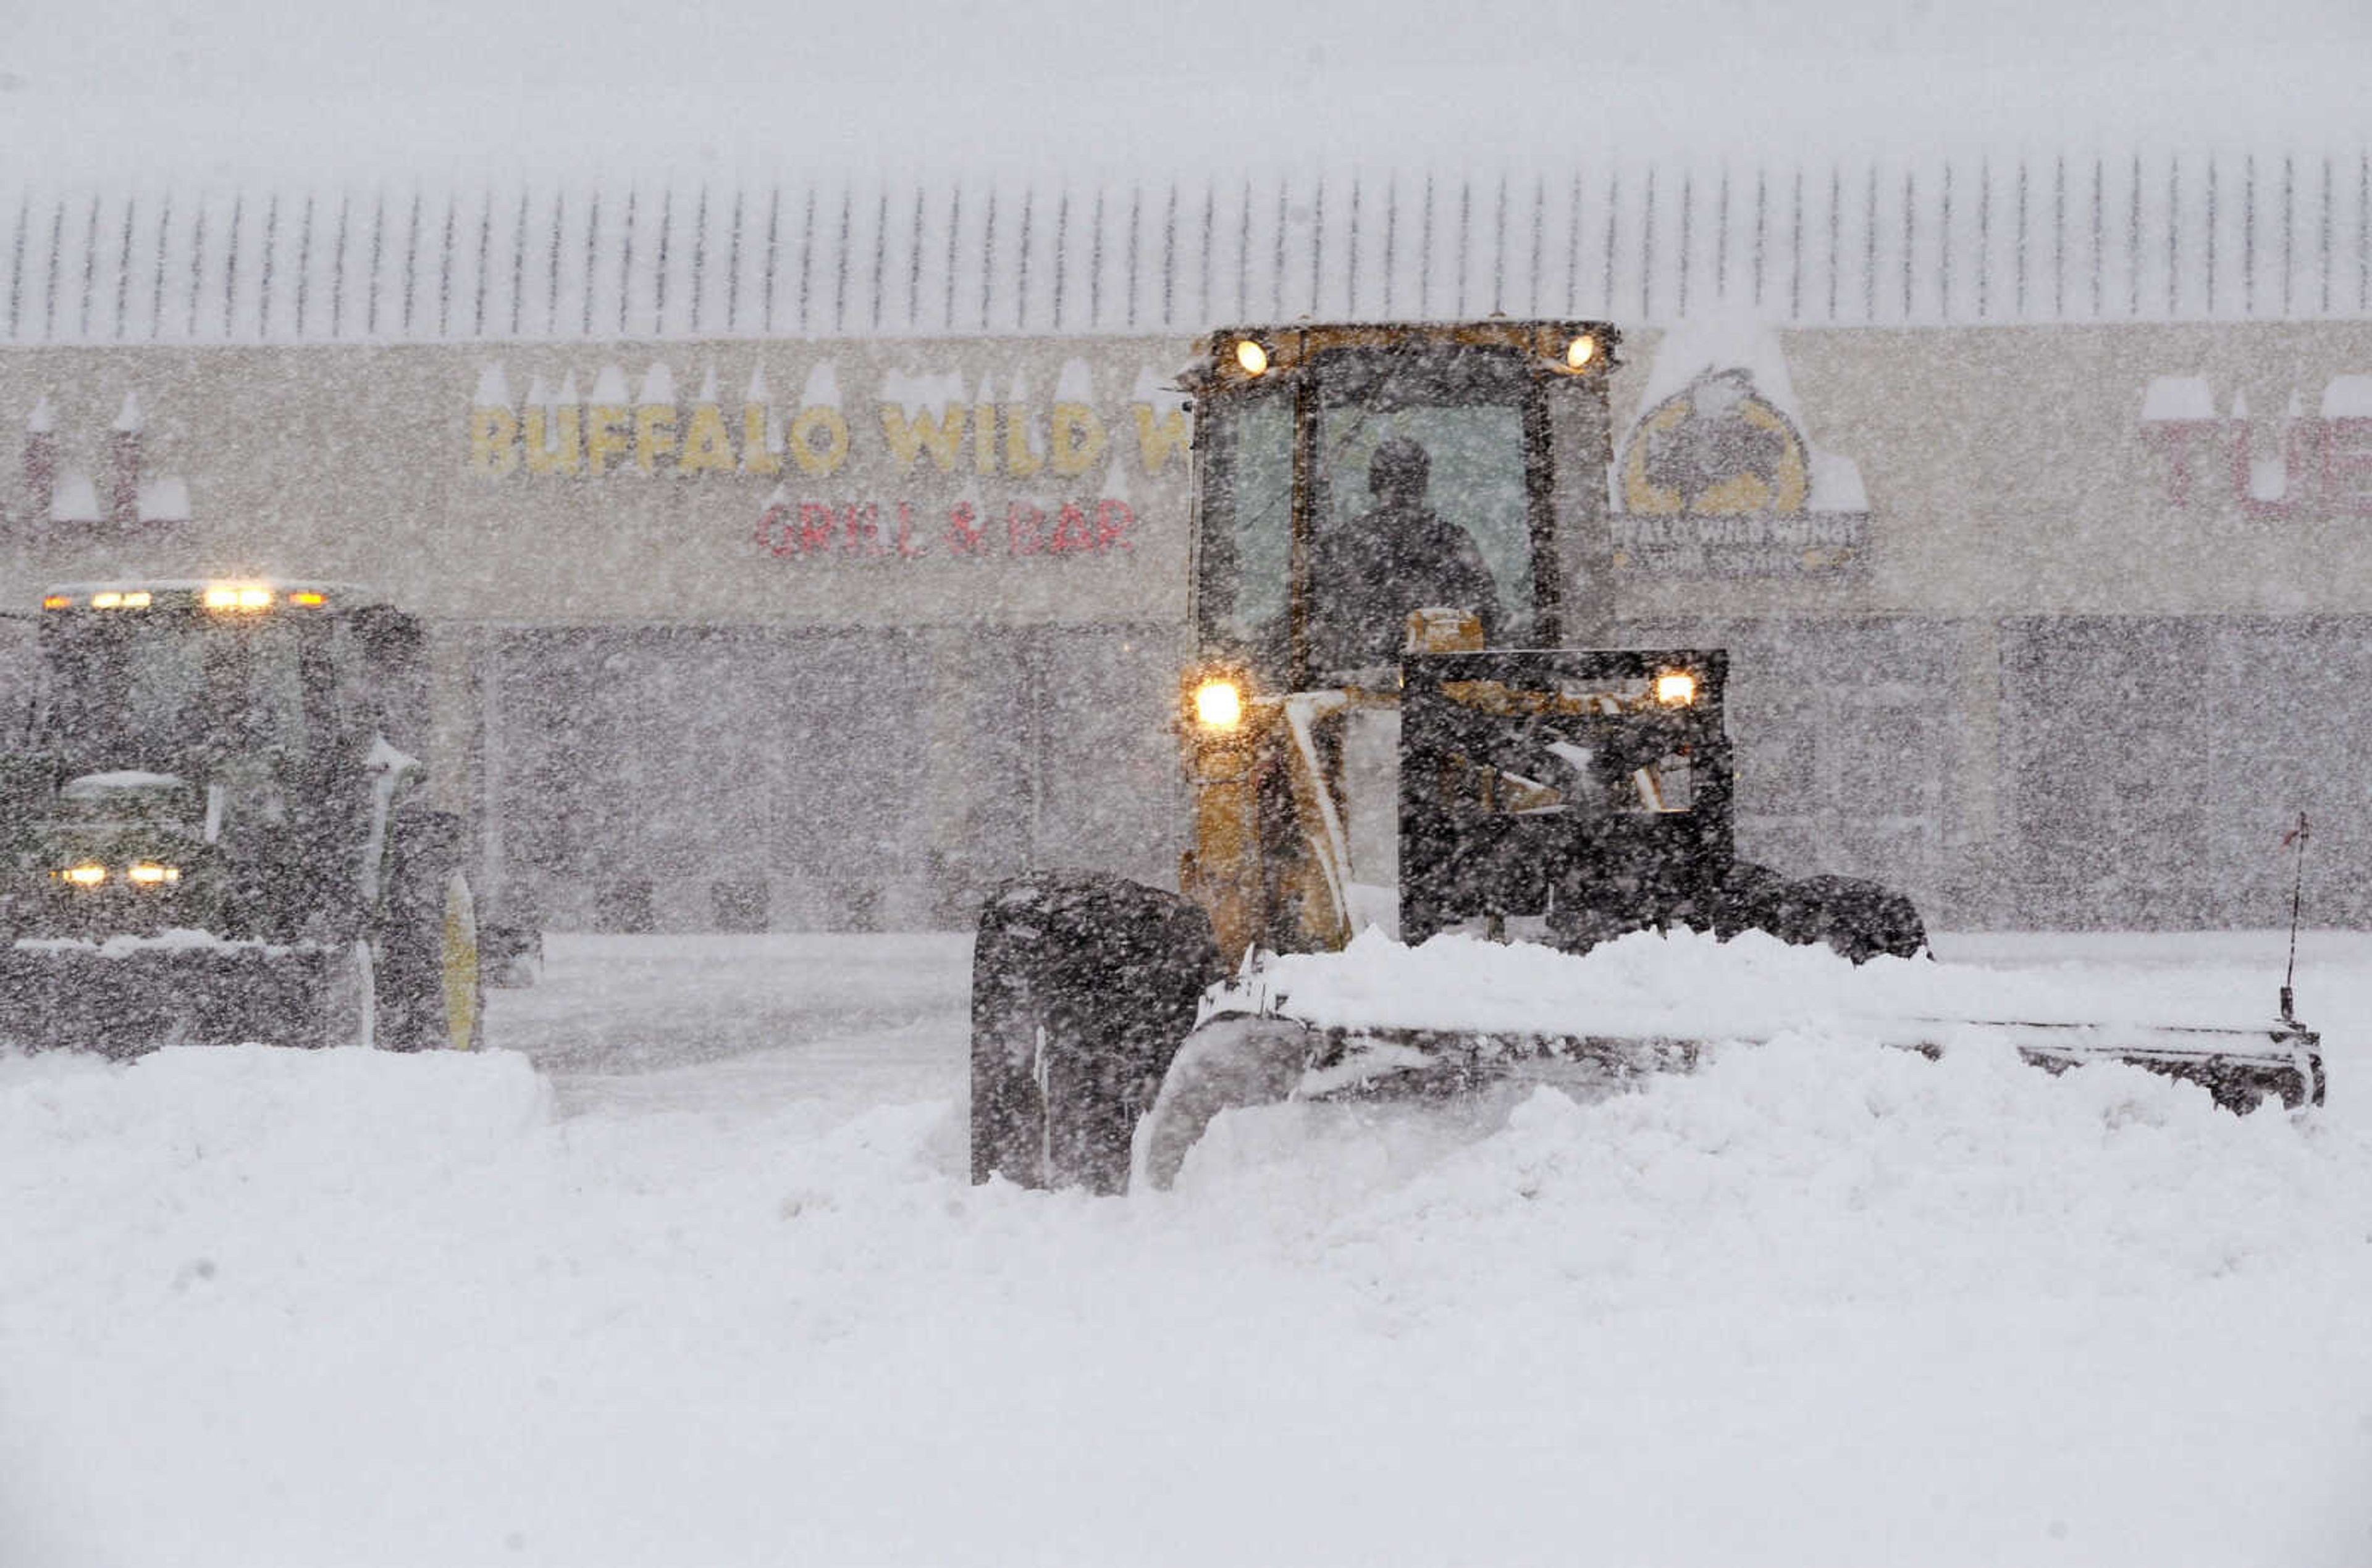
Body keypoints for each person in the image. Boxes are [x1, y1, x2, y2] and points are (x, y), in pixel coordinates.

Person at [1307, 435, 1500, 671]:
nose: (1400, 491)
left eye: (1408, 482)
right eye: (1394, 481)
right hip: (1433, 681)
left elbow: (1315, 620)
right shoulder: (1454, 544)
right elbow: (1485, 617)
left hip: (1369, 681)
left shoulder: (1342, 545)